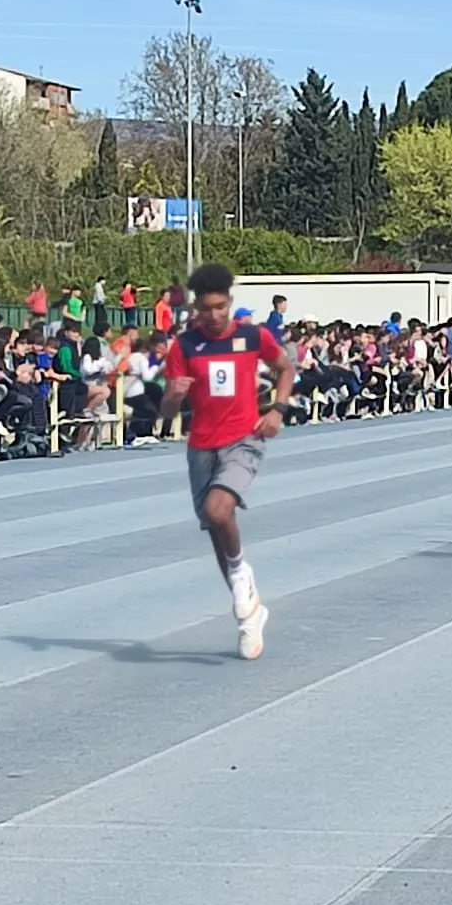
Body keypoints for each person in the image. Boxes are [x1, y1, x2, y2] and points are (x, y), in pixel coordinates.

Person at [156, 262, 294, 661]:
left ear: (230, 303)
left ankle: (239, 577)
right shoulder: (184, 347)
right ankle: (249, 614)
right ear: (195, 309)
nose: (213, 316)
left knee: (220, 510)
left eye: (219, 307)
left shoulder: (253, 336)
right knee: (217, 527)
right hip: (201, 444)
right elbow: (165, 412)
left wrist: (278, 409)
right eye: (205, 309)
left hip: (244, 438)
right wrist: (175, 396)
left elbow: (285, 368)